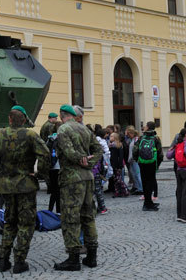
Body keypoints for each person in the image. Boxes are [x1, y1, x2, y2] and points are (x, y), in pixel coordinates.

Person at [0, 106, 50, 273]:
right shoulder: (30, 135)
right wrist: (39, 173)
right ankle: (19, 261)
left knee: (9, 222)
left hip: (5, 186)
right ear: (24, 120)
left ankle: (3, 260)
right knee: (26, 223)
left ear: (10, 119)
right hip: (25, 185)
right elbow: (45, 153)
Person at [54, 104, 103, 271]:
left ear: (62, 115)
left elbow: (68, 152)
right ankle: (92, 256)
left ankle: (73, 259)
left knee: (71, 218)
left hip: (71, 179)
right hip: (88, 177)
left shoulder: (63, 130)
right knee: (88, 216)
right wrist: (89, 162)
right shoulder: (84, 129)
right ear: (73, 115)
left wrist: (80, 159)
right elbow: (99, 149)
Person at [133, 121, 163, 211]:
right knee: (150, 182)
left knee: (145, 182)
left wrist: (137, 160)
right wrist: (157, 164)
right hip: (152, 163)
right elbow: (160, 153)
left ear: (148, 127)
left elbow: (135, 150)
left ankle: (148, 202)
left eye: (145, 126)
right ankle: (148, 204)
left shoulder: (141, 138)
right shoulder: (156, 138)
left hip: (142, 163)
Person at [47, 123, 62, 213]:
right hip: (59, 166)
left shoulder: (50, 138)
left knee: (54, 191)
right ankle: (58, 211)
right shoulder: (61, 138)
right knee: (58, 191)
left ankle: (50, 210)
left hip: (51, 167)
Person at [109, 132, 129, 197]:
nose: (110, 137)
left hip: (117, 165)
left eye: (111, 136)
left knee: (118, 179)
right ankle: (118, 191)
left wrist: (120, 165)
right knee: (116, 179)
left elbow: (120, 157)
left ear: (115, 138)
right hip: (113, 164)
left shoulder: (118, 145)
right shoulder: (111, 145)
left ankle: (124, 191)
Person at [125, 127, 144, 194]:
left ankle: (141, 189)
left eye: (128, 134)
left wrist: (134, 158)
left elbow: (136, 150)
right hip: (132, 160)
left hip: (135, 160)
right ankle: (138, 188)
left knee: (137, 174)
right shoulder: (132, 139)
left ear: (131, 133)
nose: (127, 135)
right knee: (134, 174)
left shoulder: (136, 140)